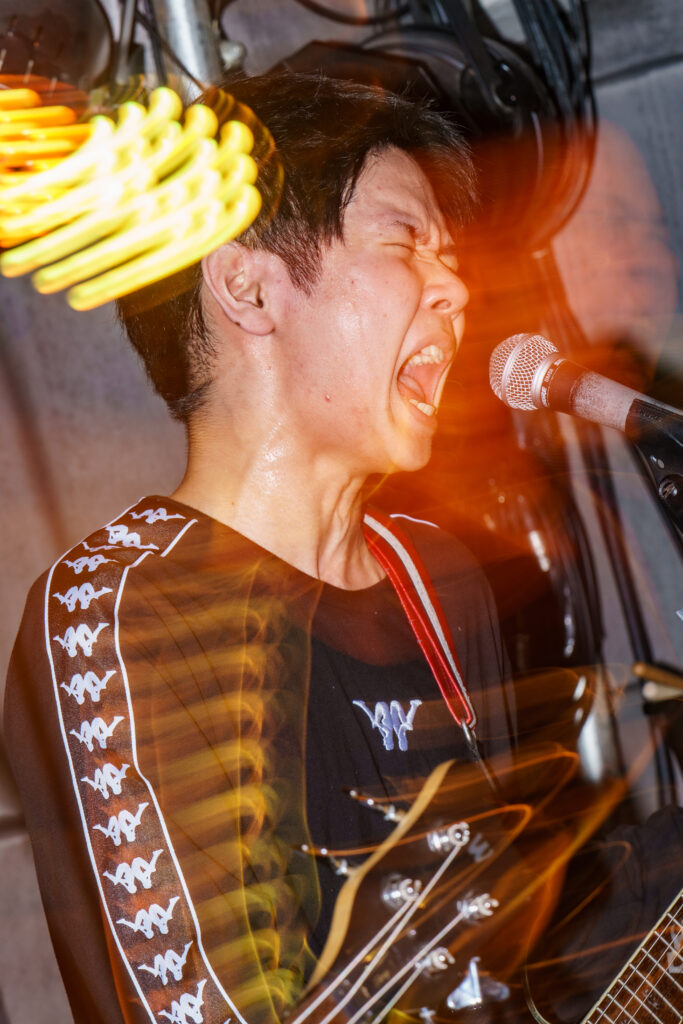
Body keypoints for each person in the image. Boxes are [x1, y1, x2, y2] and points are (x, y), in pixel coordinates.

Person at [3, 70, 520, 1024]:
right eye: (404, 242)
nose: (456, 287)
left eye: (448, 256)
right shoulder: (117, 613)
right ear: (246, 287)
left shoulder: (439, 578)